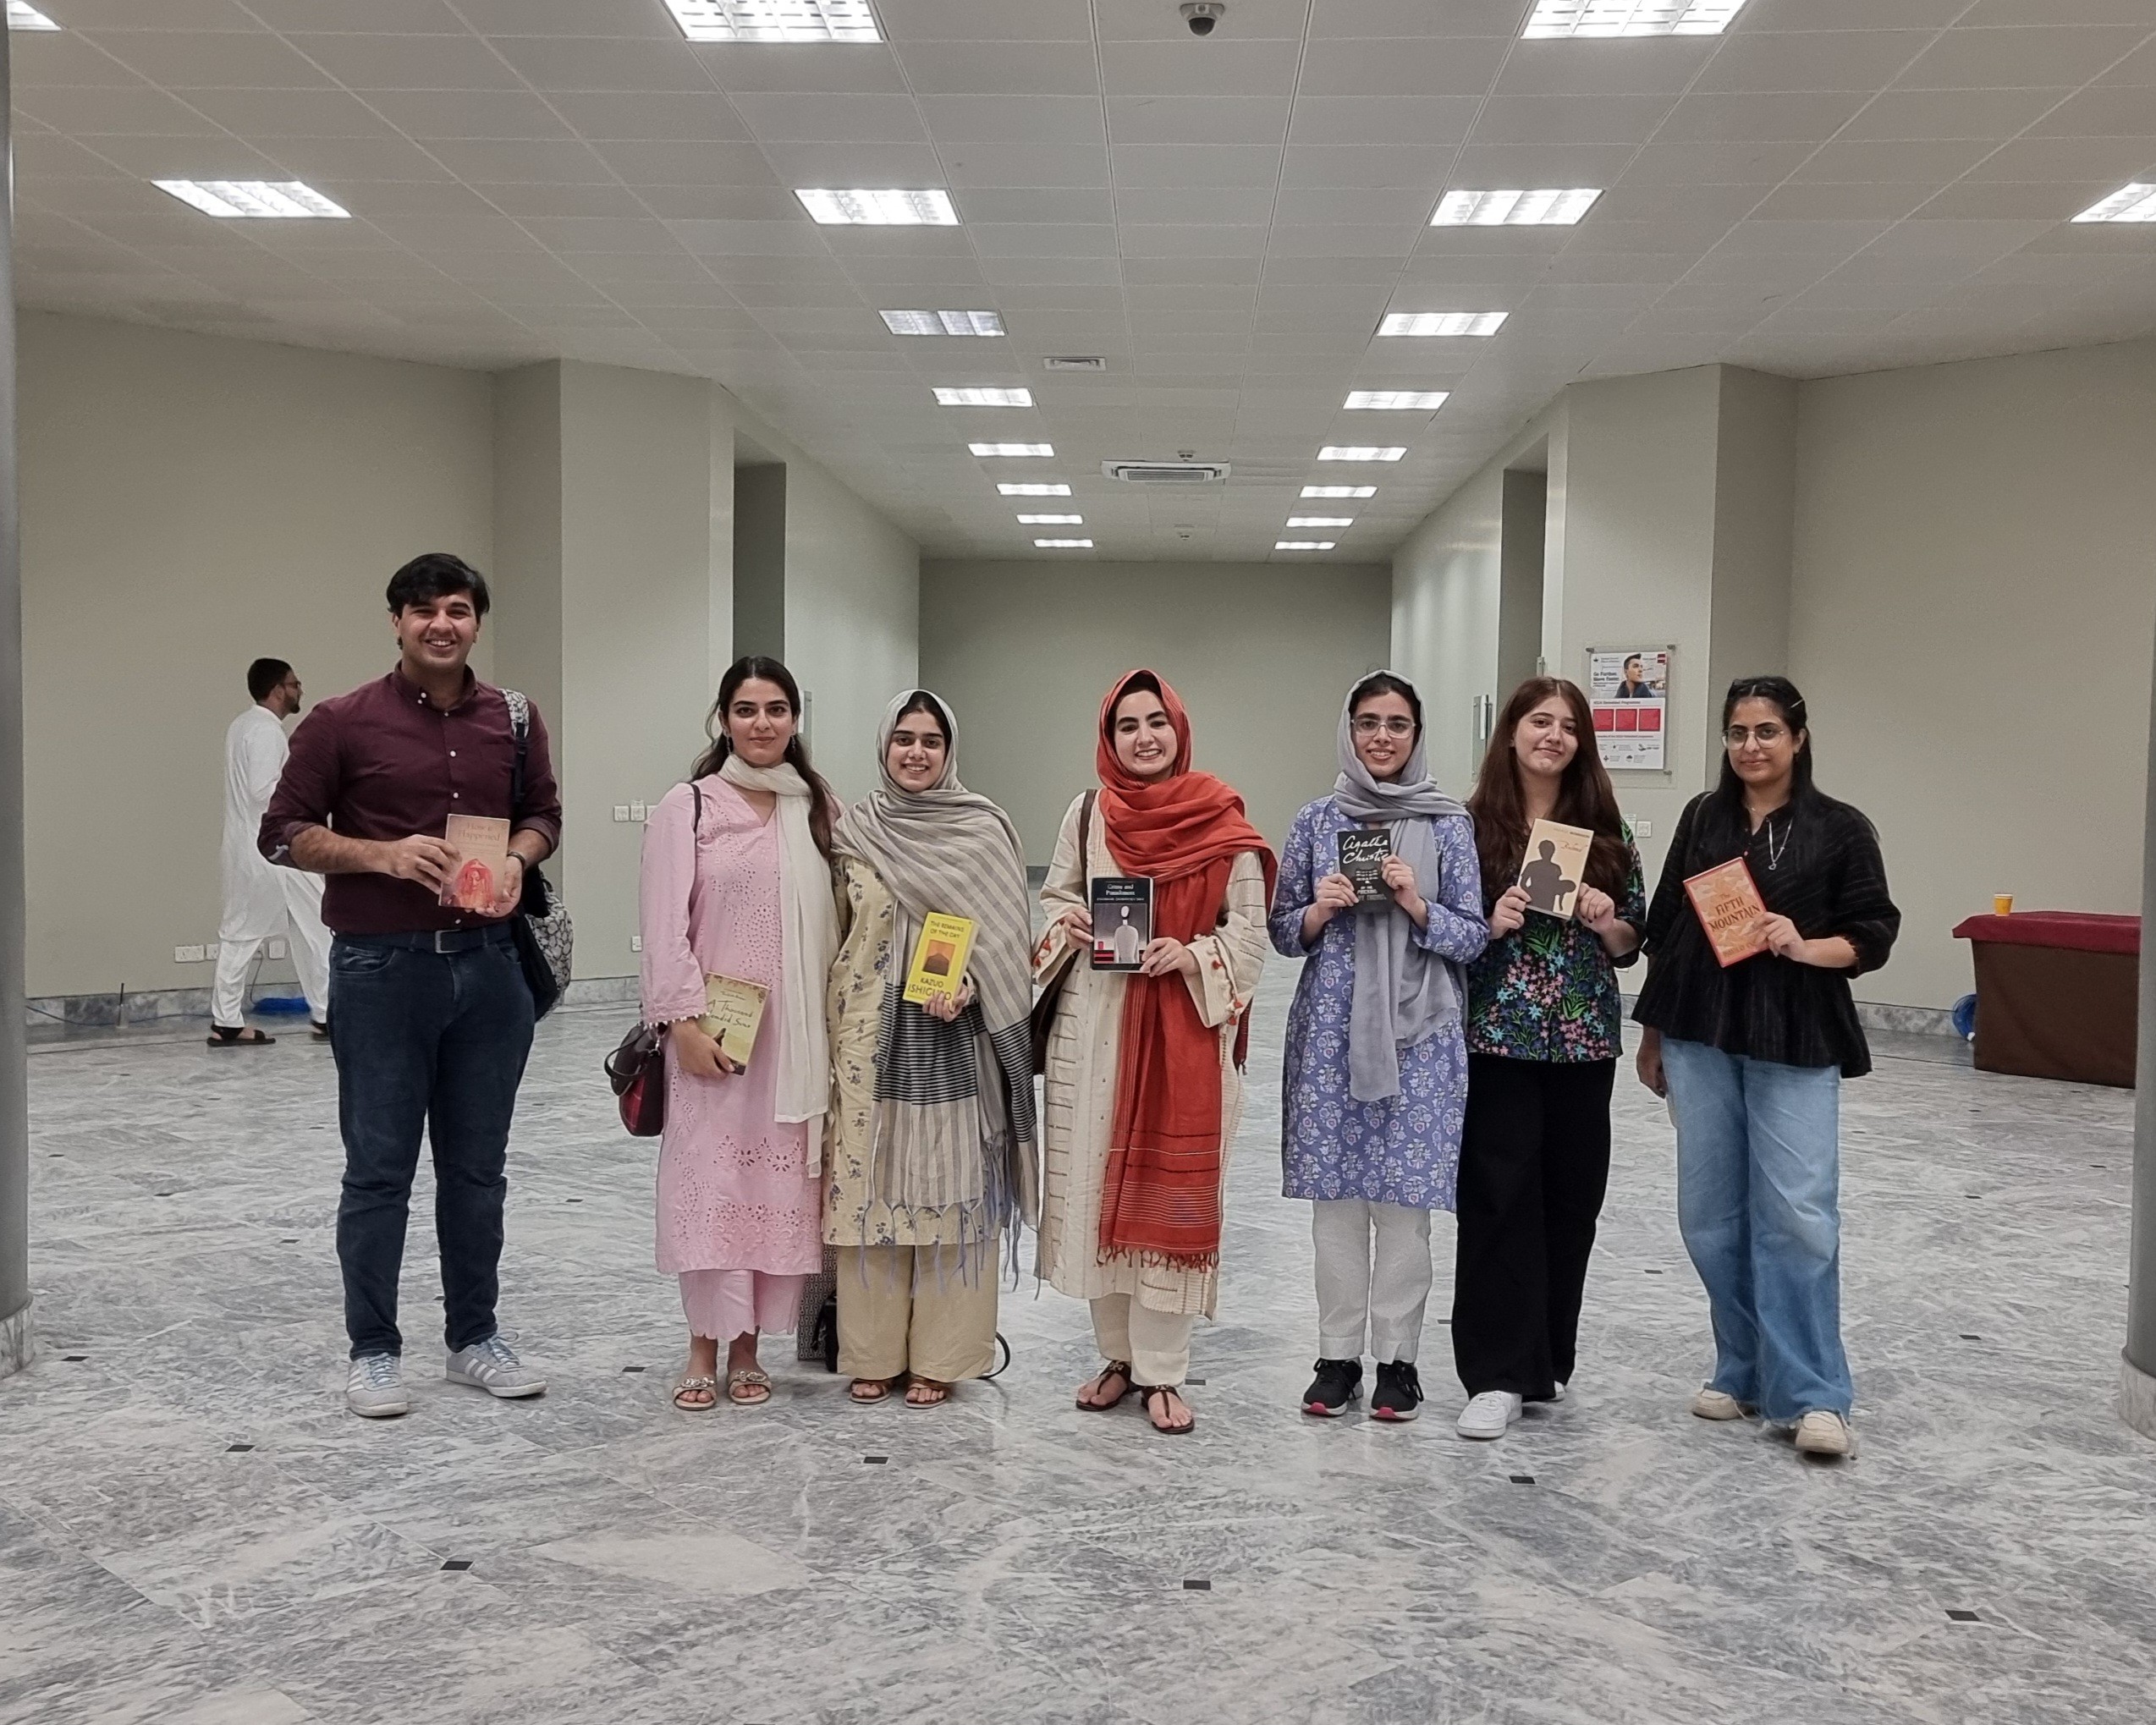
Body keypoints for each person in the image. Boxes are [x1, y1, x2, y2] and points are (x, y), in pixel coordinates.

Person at [261, 554, 559, 1420]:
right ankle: (374, 1351)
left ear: (476, 621)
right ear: (396, 620)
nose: (441, 624)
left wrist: (518, 856)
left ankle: (474, 1338)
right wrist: (380, 854)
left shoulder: (514, 718)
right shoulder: (339, 721)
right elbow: (280, 833)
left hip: (491, 968)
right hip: (381, 969)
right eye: (423, 609)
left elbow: (544, 814)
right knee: (379, 1170)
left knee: (478, 1171)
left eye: (458, 609)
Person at [1634, 675, 1899, 1461]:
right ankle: (1743, 1368)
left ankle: (1814, 1393)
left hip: (1795, 1036)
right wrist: (1652, 1036)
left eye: (1767, 731)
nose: (1751, 746)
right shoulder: (1703, 818)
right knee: (1710, 1214)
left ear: (1799, 738)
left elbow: (1873, 932)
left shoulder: (1839, 828)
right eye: (1738, 732)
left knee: (1799, 1216)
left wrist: (1804, 945)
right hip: (1699, 1033)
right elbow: (1668, 928)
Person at [1036, 670, 1273, 1437]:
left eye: (1156, 722)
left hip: (1184, 1036)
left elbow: (1249, 933)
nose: (1144, 737)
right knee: (1097, 1192)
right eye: (1127, 725)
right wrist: (1069, 922)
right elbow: (1056, 896)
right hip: (1095, 1030)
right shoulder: (1087, 814)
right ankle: (1117, 1357)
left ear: (1179, 728)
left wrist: (1193, 954)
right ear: (1109, 738)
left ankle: (1164, 1370)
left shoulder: (1221, 819)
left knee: (1165, 1201)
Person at [1270, 672, 1486, 1424]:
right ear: (1349, 730)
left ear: (1417, 734)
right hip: (1331, 1032)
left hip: (1419, 1035)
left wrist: (1416, 903)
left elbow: (1473, 935)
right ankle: (1337, 1357)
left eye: (1397, 723)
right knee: (1335, 1205)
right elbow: (1281, 930)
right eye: (1368, 722)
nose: (1382, 737)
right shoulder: (1316, 819)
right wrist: (1317, 910)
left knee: (1404, 1206)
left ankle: (1399, 1361)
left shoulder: (1448, 825)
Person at [822, 691, 1037, 1408]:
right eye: (904, 739)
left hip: (957, 1040)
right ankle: (871, 1351)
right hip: (865, 1039)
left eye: (931, 741)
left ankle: (943, 1356)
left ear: (949, 751)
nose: (916, 752)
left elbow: (1007, 942)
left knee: (949, 1190)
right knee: (870, 1190)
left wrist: (972, 985)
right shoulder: (854, 831)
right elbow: (836, 933)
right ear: (884, 746)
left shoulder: (982, 830)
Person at [641, 656, 840, 1411]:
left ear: (795, 719)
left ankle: (750, 1347)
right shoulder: (689, 805)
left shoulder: (817, 806)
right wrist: (682, 1024)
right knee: (711, 1185)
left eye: (777, 709)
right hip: (713, 1038)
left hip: (795, 1043)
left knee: (774, 1188)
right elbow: (663, 926)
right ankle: (702, 1346)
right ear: (723, 719)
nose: (762, 723)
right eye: (747, 709)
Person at [1453, 678, 1645, 1439]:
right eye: (1540, 721)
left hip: (1583, 1039)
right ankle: (1496, 1373)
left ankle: (1548, 1358)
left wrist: (1606, 921)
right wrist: (1489, 923)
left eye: (1568, 725)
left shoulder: (1605, 828)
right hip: (1497, 1036)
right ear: (1511, 732)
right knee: (1498, 1198)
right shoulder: (1469, 826)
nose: (1553, 735)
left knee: (1572, 1200)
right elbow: (1444, 933)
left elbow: (1632, 941)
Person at [211, 658, 333, 1046]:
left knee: (251, 932)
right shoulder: (266, 731)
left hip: (248, 848)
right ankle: (325, 1013)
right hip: (276, 849)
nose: (300, 690)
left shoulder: (242, 726)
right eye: (295, 684)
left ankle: (228, 1020)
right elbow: (264, 792)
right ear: (278, 689)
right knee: (319, 926)